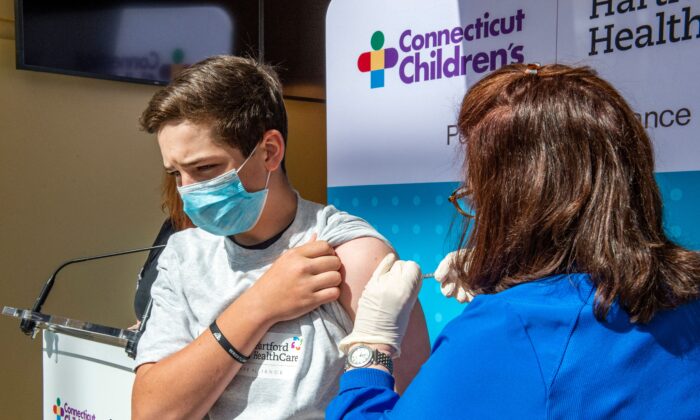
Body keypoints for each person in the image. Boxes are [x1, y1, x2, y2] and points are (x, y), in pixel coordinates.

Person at [327, 63, 700, 419]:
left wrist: (370, 347)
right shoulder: (687, 294)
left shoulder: (508, 328)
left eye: (478, 199)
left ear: (515, 206)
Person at [131, 55, 431, 419]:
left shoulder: (349, 254)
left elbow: (415, 403)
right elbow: (152, 413)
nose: (188, 191)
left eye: (205, 168)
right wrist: (260, 304)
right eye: (176, 173)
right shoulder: (184, 254)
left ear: (269, 151)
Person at [133, 174, 192, 324]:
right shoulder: (172, 226)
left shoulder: (227, 241)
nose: (186, 181)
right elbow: (146, 304)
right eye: (176, 172)